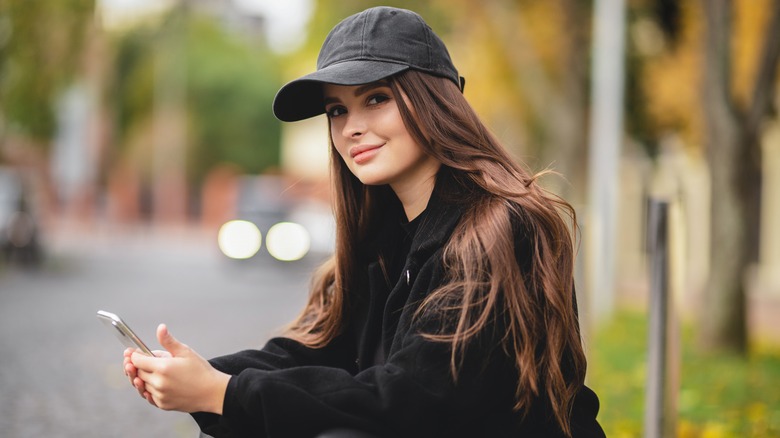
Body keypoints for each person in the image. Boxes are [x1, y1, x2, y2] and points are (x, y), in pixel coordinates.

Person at [123, 6, 606, 437]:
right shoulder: (382, 240)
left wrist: (224, 393)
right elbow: (315, 353)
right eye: (337, 110)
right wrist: (201, 373)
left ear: (434, 101)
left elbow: (414, 400)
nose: (351, 126)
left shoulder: (501, 229)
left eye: (375, 98)